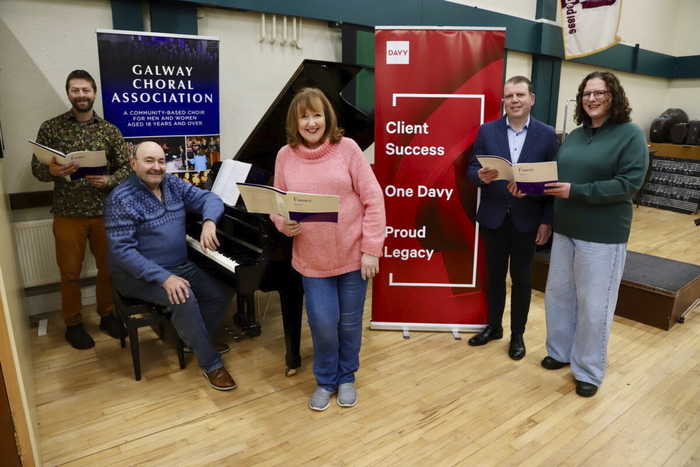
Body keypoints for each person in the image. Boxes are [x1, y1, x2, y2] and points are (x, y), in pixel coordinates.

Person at [272, 88, 386, 411]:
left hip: (353, 256)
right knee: (322, 324)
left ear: (327, 117)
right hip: (311, 259)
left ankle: (346, 376)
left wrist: (371, 249)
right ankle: (325, 380)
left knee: (349, 324)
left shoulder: (347, 149)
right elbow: (277, 204)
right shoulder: (285, 155)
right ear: (295, 121)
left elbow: (373, 200)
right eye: (304, 116)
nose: (311, 122)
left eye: (317, 115)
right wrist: (284, 223)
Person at [542, 71, 648, 397]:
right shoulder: (575, 134)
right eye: (587, 93)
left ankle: (588, 369)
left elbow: (628, 184)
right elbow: (557, 175)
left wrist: (577, 191)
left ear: (613, 96)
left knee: (594, 305)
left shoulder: (629, 135)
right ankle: (560, 352)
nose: (592, 99)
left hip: (602, 235)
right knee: (559, 296)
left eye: (599, 93)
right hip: (566, 230)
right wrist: (528, 186)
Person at [104, 142, 236, 391]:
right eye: (149, 161)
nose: (156, 167)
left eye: (161, 161)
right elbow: (122, 252)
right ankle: (211, 364)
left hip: (178, 265)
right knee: (182, 297)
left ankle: (196, 341)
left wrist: (209, 221)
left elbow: (210, 198)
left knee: (223, 290)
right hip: (134, 274)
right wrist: (163, 277)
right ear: (134, 164)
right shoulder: (120, 199)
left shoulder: (172, 184)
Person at [31, 69, 131, 350]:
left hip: (104, 213)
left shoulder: (109, 130)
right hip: (67, 214)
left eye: (86, 90)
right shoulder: (51, 128)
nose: (81, 95)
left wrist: (109, 179)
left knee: (108, 270)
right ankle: (73, 324)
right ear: (68, 94)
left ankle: (108, 315)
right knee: (70, 273)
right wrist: (55, 169)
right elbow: (36, 168)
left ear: (94, 93)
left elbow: (126, 168)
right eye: (75, 90)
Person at [466, 76, 559, 360]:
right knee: (494, 278)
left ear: (532, 99)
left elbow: (554, 181)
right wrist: (479, 177)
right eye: (508, 96)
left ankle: (517, 334)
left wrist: (547, 221)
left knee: (521, 280)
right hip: (494, 218)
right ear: (503, 101)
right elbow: (471, 169)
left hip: (527, 220)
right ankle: (494, 327)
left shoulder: (546, 134)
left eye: (520, 95)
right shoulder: (487, 130)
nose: (514, 100)